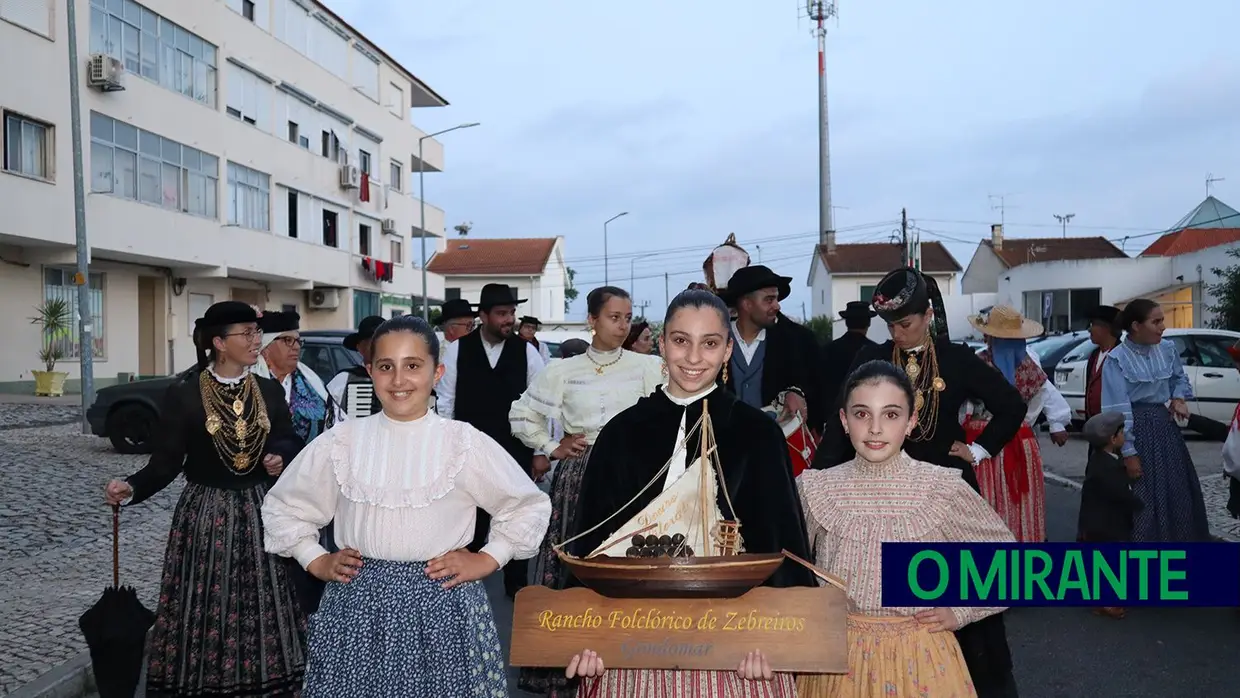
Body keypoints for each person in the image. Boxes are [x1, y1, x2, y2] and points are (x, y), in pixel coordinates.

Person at [261, 315, 551, 697]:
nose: (399, 381)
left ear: (437, 373)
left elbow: (526, 505)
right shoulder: (343, 440)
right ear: (370, 371)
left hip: (445, 607)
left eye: (413, 366)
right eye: (386, 367)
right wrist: (314, 557)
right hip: (357, 607)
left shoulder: (461, 442)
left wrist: (488, 557)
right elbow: (285, 505)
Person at [564, 288, 816, 697]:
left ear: (727, 349)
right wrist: (582, 634)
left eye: (710, 343)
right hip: (631, 640)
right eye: (681, 341)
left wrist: (783, 636)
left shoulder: (757, 433)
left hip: (736, 644)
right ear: (662, 344)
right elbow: (587, 544)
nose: (694, 358)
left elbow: (783, 544)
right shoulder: (621, 433)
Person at [813, 267, 1026, 698]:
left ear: (928, 315)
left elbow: (1011, 404)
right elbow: (840, 428)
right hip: (871, 489)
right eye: (891, 325)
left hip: (938, 499)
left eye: (905, 324)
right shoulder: (871, 360)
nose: (898, 334)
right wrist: (821, 480)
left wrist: (979, 450)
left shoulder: (957, 358)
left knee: (954, 622)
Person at [103, 301, 306, 697]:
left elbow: (287, 435)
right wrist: (131, 487)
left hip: (259, 510)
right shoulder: (184, 394)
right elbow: (165, 463)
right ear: (218, 342)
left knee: (262, 599)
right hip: (206, 515)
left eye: (255, 332)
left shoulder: (267, 390)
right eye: (245, 334)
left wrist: (280, 453)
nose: (255, 340)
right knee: (208, 598)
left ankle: (266, 681)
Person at [510, 286, 663, 696]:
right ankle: (567, 668)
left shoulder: (648, 366)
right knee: (574, 566)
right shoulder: (562, 369)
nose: (623, 324)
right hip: (579, 476)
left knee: (629, 565)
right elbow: (522, 415)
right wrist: (551, 447)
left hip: (634, 477)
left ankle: (629, 665)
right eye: (614, 317)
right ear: (592, 321)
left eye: (628, 317)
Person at [437, 282, 547, 597]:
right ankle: (461, 582)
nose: (509, 319)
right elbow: (445, 400)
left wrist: (541, 450)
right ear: (483, 316)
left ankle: (517, 589)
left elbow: (540, 405)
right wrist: (445, 447)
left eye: (511, 313)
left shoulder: (528, 352)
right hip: (468, 451)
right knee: (468, 519)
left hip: (515, 449)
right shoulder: (458, 349)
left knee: (516, 516)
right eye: (501, 313)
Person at [1101, 298, 1210, 541]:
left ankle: (1179, 559)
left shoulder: (1167, 349)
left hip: (1165, 429)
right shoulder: (1117, 359)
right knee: (1143, 500)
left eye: (1162, 321)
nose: (1162, 327)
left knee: (1177, 494)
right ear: (1136, 325)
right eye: (1156, 321)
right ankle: (1145, 564)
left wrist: (1178, 398)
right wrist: (1128, 452)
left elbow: (1178, 379)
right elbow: (1117, 409)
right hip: (1136, 431)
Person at [966, 305, 1072, 543]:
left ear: (990, 336)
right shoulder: (1030, 369)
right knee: (1021, 500)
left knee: (988, 498)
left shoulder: (978, 364)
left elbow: (966, 408)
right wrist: (1056, 424)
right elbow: (1046, 397)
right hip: (1022, 440)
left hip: (984, 440)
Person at [719, 265, 824, 431]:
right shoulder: (715, 342)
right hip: (723, 447)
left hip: (779, 448)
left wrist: (797, 392)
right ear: (747, 304)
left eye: (776, 299)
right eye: (769, 299)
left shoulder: (798, 342)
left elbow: (819, 389)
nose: (777, 306)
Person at [1077, 411, 1142, 619]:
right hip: (1107, 524)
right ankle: (1108, 602)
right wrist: (1137, 502)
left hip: (1098, 522)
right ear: (1112, 439)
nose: (1124, 436)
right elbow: (1119, 493)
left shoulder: (1100, 460)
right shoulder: (1108, 467)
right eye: (1121, 432)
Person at [254, 309, 338, 441]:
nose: (297, 347)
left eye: (298, 341)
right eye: (288, 340)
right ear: (266, 346)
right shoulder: (250, 381)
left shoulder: (312, 383)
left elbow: (336, 425)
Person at [819, 301, 878, 422]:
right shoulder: (876, 352)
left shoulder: (828, 350)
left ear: (846, 322)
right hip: (866, 417)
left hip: (832, 418)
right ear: (869, 323)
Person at [327, 315, 385, 419]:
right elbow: (331, 427)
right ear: (360, 348)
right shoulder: (342, 381)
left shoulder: (406, 378)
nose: (379, 348)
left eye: (384, 343)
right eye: (372, 343)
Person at [1083, 305, 1123, 429]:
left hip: (1115, 429)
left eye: (1093, 324)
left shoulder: (1122, 355)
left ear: (1106, 328)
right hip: (1096, 427)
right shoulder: (1094, 355)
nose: (1089, 330)